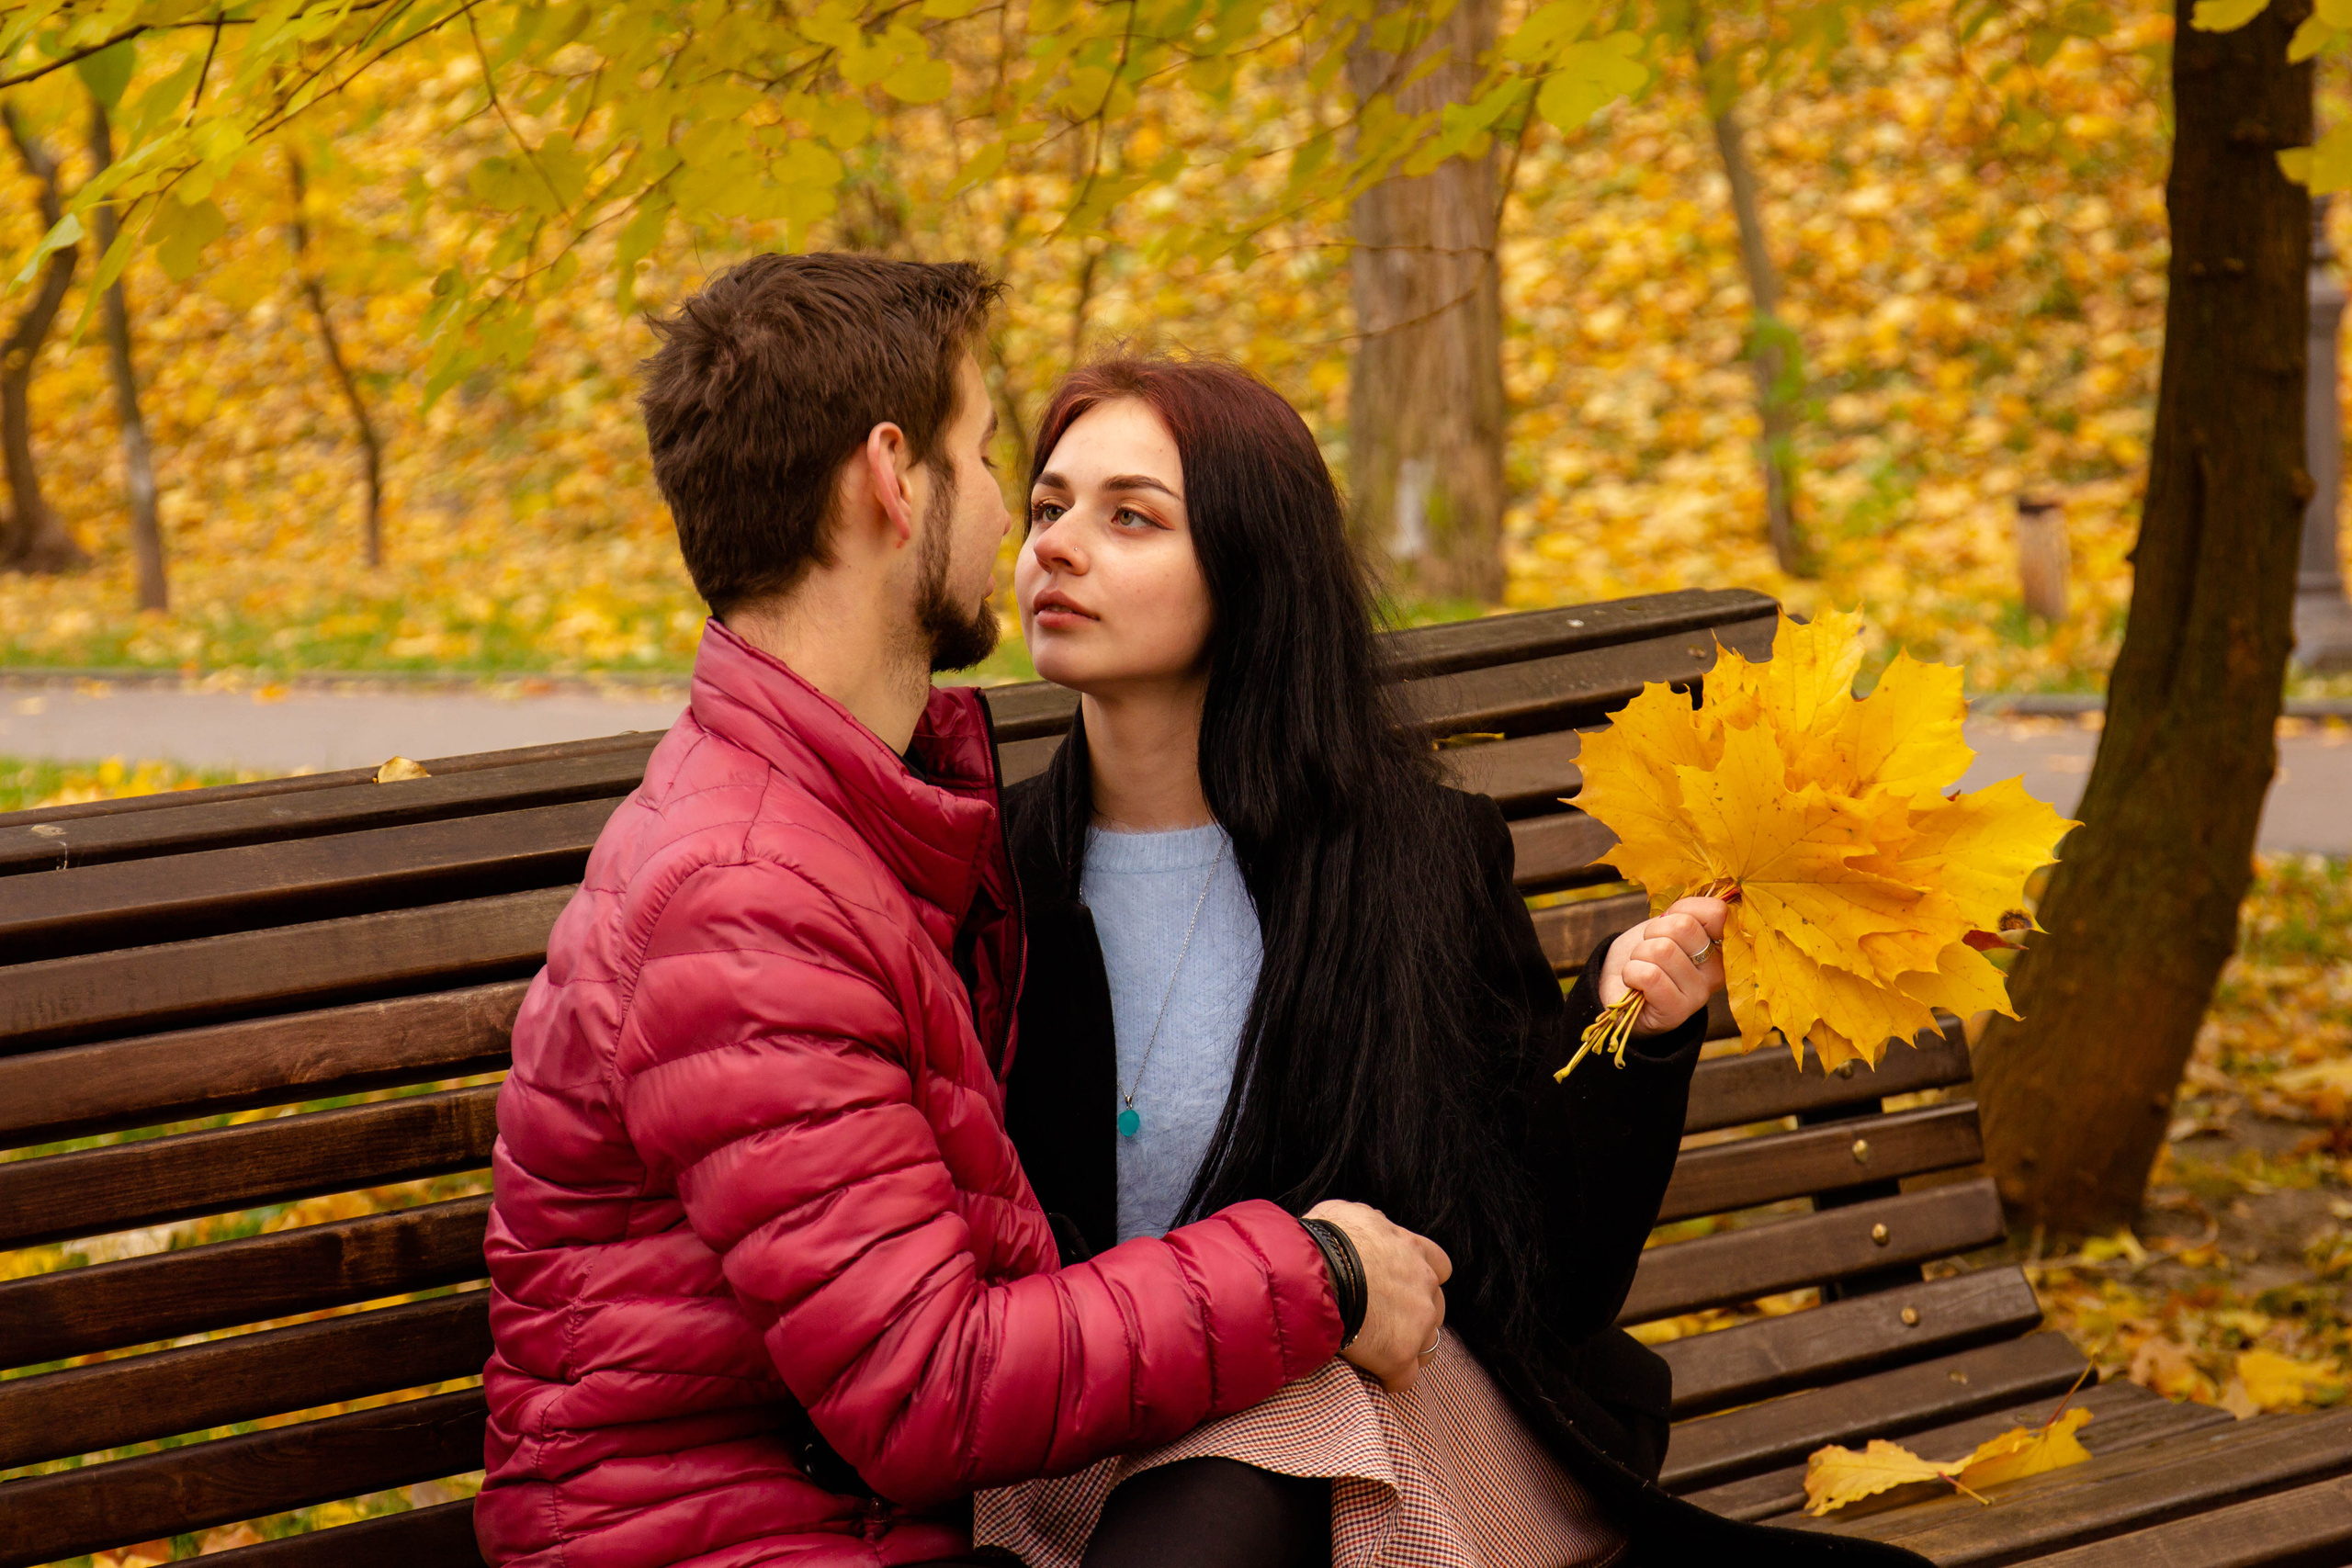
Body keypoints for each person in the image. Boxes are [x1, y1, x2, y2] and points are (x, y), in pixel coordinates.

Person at [473, 257, 1453, 1568]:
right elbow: (927, 1385)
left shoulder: (860, 821)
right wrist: (1316, 1270)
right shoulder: (749, 900)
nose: (1015, 522)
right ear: (893, 479)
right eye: (987, 458)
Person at [982, 357, 1932, 1568]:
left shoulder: (1409, 862)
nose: (1057, 547)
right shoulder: (986, 872)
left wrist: (1631, 1037)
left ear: (1252, 570)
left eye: (1131, 517)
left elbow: (1546, 1266)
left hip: (1348, 1412)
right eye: (1048, 507)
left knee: (1251, 1461)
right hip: (1078, 1419)